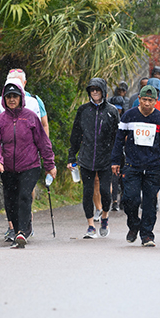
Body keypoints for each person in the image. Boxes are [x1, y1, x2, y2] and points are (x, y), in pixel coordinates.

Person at [0, 82, 57, 248]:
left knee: (24, 196)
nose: (12, 99)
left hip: (30, 166)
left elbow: (43, 142)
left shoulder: (31, 117)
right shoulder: (0, 120)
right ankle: (17, 229)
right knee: (10, 200)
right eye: (8, 97)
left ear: (21, 98)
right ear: (4, 99)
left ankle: (22, 232)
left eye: (15, 96)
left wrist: (49, 165)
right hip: (7, 168)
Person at [111, 85, 160, 247]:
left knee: (149, 202)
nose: (147, 103)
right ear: (139, 99)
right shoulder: (129, 116)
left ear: (156, 101)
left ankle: (147, 235)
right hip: (133, 165)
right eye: (144, 100)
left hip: (154, 166)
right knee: (130, 199)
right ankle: (134, 225)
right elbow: (119, 140)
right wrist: (115, 161)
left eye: (150, 101)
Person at [68, 78, 121, 239]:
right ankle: (90, 225)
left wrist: (118, 159)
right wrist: (72, 156)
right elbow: (76, 134)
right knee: (87, 192)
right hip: (86, 157)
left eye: (97, 89)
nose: (95, 92)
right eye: (92, 89)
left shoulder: (112, 111)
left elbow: (117, 137)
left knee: (105, 191)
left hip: (106, 158)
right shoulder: (83, 110)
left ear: (103, 91)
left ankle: (104, 216)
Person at [0, 68, 49, 136]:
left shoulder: (35, 101)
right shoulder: (0, 101)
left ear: (24, 83)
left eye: (18, 82)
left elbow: (44, 125)